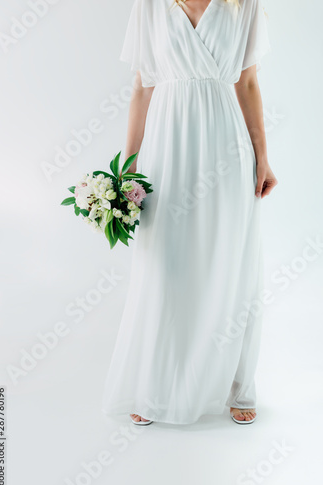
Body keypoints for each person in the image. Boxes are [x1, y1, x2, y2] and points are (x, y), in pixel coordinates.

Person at [101, 0, 278, 426]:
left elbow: (248, 82)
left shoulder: (245, 3)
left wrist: (263, 158)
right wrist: (127, 167)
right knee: (164, 264)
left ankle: (238, 385)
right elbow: (143, 87)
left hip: (226, 146)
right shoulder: (149, 5)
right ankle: (153, 385)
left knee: (228, 263)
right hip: (167, 146)